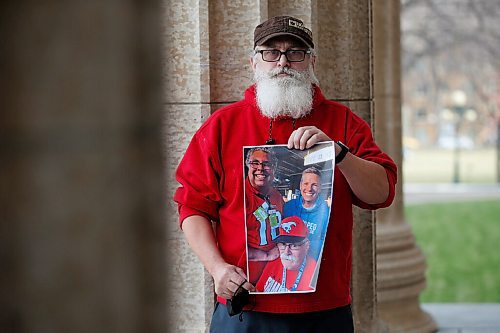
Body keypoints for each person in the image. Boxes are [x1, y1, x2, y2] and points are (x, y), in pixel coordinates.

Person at [174, 15, 397, 332]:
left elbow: (383, 192)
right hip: (245, 306)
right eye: (271, 52)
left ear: (312, 61)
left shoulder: (344, 122)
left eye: (296, 52)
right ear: (254, 62)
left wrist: (341, 154)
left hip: (323, 309)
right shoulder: (222, 126)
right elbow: (192, 207)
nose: (283, 62)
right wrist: (216, 268)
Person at [244, 147, 283, 284]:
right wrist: (266, 255)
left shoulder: (277, 196)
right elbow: (231, 244)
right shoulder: (240, 195)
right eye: (255, 162)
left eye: (267, 164)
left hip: (274, 275)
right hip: (248, 280)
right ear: (247, 164)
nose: (260, 168)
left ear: (274, 169)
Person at [256, 216, 317, 293]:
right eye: (283, 244)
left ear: (306, 246)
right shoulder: (275, 259)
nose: (286, 252)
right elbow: (258, 291)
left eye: (294, 245)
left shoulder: (314, 274)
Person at [284, 167, 330, 261]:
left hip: (312, 264)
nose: (309, 189)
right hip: (288, 260)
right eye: (306, 184)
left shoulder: (327, 214)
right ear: (301, 185)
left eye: (314, 185)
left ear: (320, 188)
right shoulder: (289, 207)